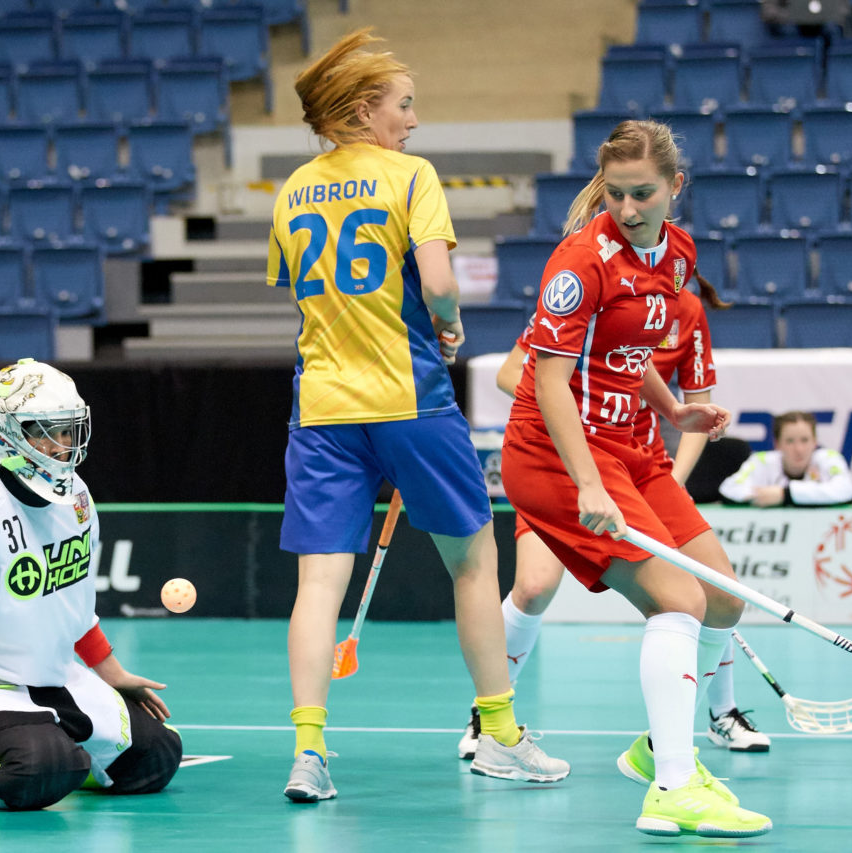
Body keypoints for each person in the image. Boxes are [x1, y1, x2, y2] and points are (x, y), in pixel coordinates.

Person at [267, 28, 569, 803]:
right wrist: (450, 324)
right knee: (473, 565)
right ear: (365, 110)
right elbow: (436, 280)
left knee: (317, 585)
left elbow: (299, 288)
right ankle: (499, 732)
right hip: (411, 398)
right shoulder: (410, 177)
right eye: (404, 106)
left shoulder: (293, 189)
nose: (412, 120)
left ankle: (308, 753)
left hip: (322, 408)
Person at [499, 119, 772, 837]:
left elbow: (629, 351)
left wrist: (674, 409)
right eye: (615, 195)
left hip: (634, 446)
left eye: (642, 193)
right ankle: (675, 788)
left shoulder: (677, 254)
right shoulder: (579, 261)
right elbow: (548, 382)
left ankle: (658, 752)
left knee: (723, 596)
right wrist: (587, 482)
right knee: (676, 600)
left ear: (675, 187)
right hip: (558, 452)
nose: (626, 209)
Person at [458, 277, 772, 757]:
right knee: (535, 587)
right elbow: (513, 373)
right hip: (565, 457)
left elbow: (690, 404)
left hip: (642, 466)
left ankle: (715, 715)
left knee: (714, 589)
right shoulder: (582, 289)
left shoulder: (683, 310)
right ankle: (489, 715)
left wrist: (678, 477)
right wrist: (565, 406)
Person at [0, 358, 182, 810]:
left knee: (156, 756)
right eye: (42, 431)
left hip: (54, 679)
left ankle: (57, 751)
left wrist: (114, 675)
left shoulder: (78, 498)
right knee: (43, 769)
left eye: (67, 430)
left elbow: (74, 609)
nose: (60, 445)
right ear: (0, 434)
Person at [719, 411, 852, 507]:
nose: (798, 449)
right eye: (790, 441)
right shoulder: (761, 461)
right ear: (777, 444)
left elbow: (846, 490)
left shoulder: (829, 458)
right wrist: (762, 495)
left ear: (815, 442)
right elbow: (729, 489)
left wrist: (785, 494)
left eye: (805, 440)